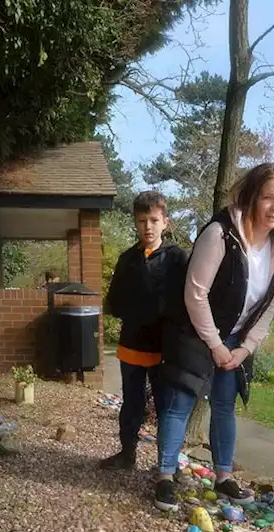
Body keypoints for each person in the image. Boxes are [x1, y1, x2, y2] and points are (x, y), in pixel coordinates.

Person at [154, 163, 274, 512]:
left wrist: (245, 347)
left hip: (237, 340)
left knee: (224, 406)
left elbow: (269, 304)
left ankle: (223, 477)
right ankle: (164, 476)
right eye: (268, 197)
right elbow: (196, 294)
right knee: (180, 404)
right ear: (251, 196)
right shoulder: (221, 233)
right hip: (195, 331)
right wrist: (216, 345)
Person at [100, 191, 189, 469]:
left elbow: (189, 299)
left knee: (166, 407)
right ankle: (127, 454)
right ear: (135, 223)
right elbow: (114, 301)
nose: (147, 226)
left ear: (165, 222)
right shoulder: (127, 259)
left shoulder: (178, 259)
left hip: (166, 346)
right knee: (132, 403)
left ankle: (166, 464)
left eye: (153, 220)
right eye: (141, 220)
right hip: (133, 342)